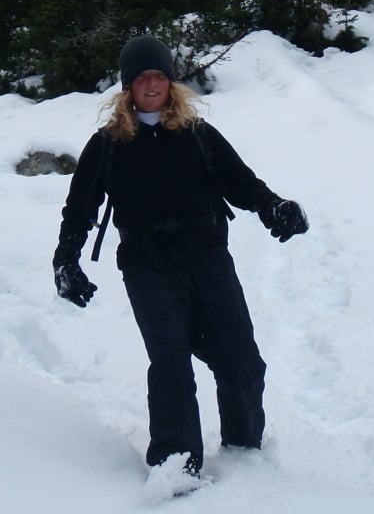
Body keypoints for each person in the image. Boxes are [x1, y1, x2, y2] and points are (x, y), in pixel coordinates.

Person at [53, 34, 308, 486]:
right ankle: (176, 464)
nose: (151, 84)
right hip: (147, 264)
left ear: (171, 82)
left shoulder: (197, 135)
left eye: (159, 76)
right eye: (141, 78)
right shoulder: (108, 144)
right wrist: (66, 260)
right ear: (128, 86)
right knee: (170, 362)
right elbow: (79, 208)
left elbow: (242, 182)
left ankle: (244, 447)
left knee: (240, 358)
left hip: (207, 257)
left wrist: (274, 207)